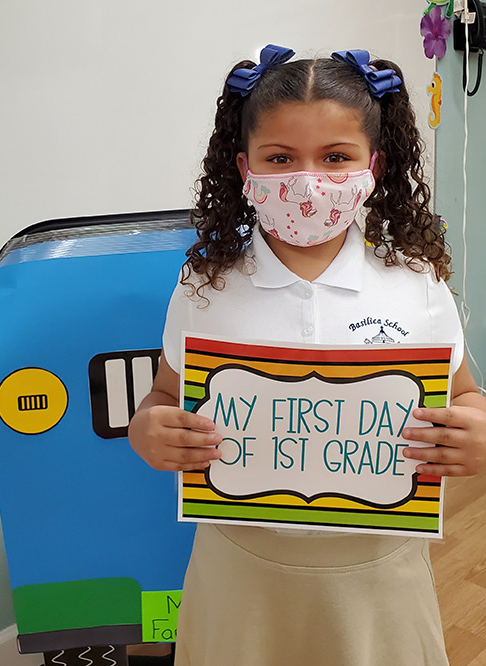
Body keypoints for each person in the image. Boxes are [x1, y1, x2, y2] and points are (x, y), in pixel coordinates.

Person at [129, 45, 486, 665]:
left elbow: (466, 397)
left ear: (374, 165)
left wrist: (479, 431)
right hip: (237, 569)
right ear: (245, 167)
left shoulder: (417, 283)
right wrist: (147, 429)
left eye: (336, 157)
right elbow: (164, 396)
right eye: (280, 158)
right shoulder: (205, 286)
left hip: (382, 573)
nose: (307, 180)